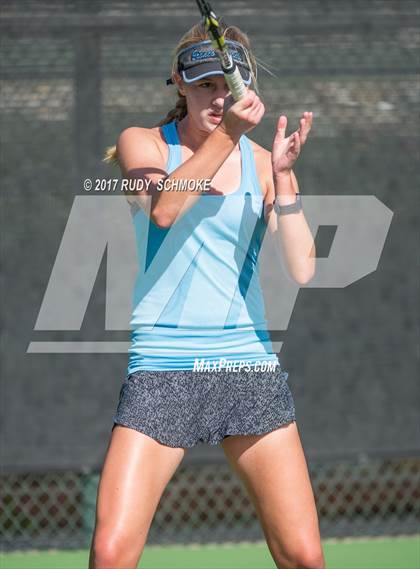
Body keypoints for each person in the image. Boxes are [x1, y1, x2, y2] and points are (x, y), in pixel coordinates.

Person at [89, 21, 324, 569]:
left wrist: (284, 180)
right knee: (110, 553)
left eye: (228, 84)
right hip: (162, 370)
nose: (218, 97)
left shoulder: (263, 162)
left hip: (246, 370)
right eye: (205, 85)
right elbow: (164, 209)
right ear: (179, 82)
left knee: (303, 556)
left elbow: (303, 267)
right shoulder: (142, 143)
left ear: (244, 85)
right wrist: (231, 137)